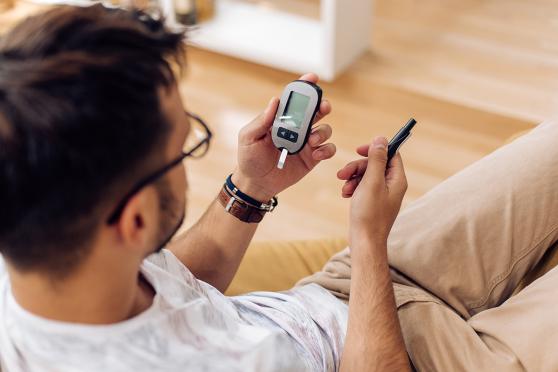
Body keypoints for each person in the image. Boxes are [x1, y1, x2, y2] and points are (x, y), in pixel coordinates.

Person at [1, 4, 557, 372]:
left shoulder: (40, 250)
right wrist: (368, 243)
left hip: (340, 295)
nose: (190, 159)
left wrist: (248, 189)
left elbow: (177, 287)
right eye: (184, 148)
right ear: (135, 219)